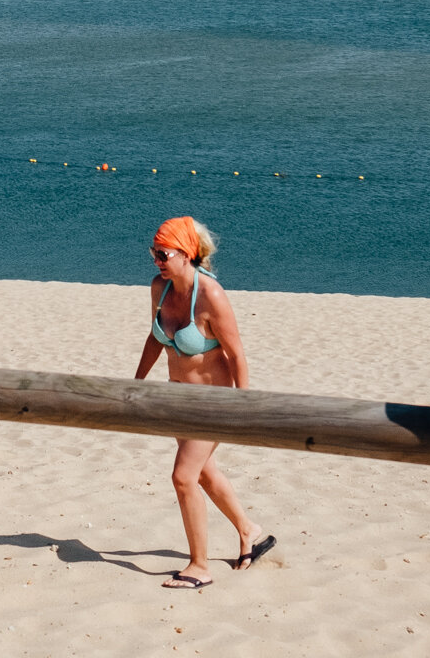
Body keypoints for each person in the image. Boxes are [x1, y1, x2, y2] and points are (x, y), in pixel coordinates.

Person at [132, 215, 277, 590]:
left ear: (186, 254)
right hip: (177, 397)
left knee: (183, 477)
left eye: (163, 253)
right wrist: (136, 385)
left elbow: (237, 354)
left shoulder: (211, 294)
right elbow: (155, 338)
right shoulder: (159, 288)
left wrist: (243, 405)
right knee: (206, 473)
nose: (157, 260)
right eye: (154, 252)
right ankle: (250, 532)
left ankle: (199, 566)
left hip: (214, 401)